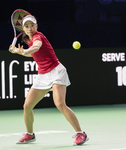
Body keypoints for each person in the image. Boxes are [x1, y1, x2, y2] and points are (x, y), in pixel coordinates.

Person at [9, 15, 89, 146]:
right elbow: (31, 53)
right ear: (23, 28)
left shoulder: (38, 37)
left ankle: (81, 133)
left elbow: (36, 47)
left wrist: (24, 51)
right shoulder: (28, 40)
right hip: (42, 75)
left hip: (56, 72)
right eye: (27, 26)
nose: (30, 28)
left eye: (32, 25)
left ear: (36, 26)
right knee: (27, 106)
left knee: (59, 104)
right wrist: (19, 51)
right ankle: (30, 134)